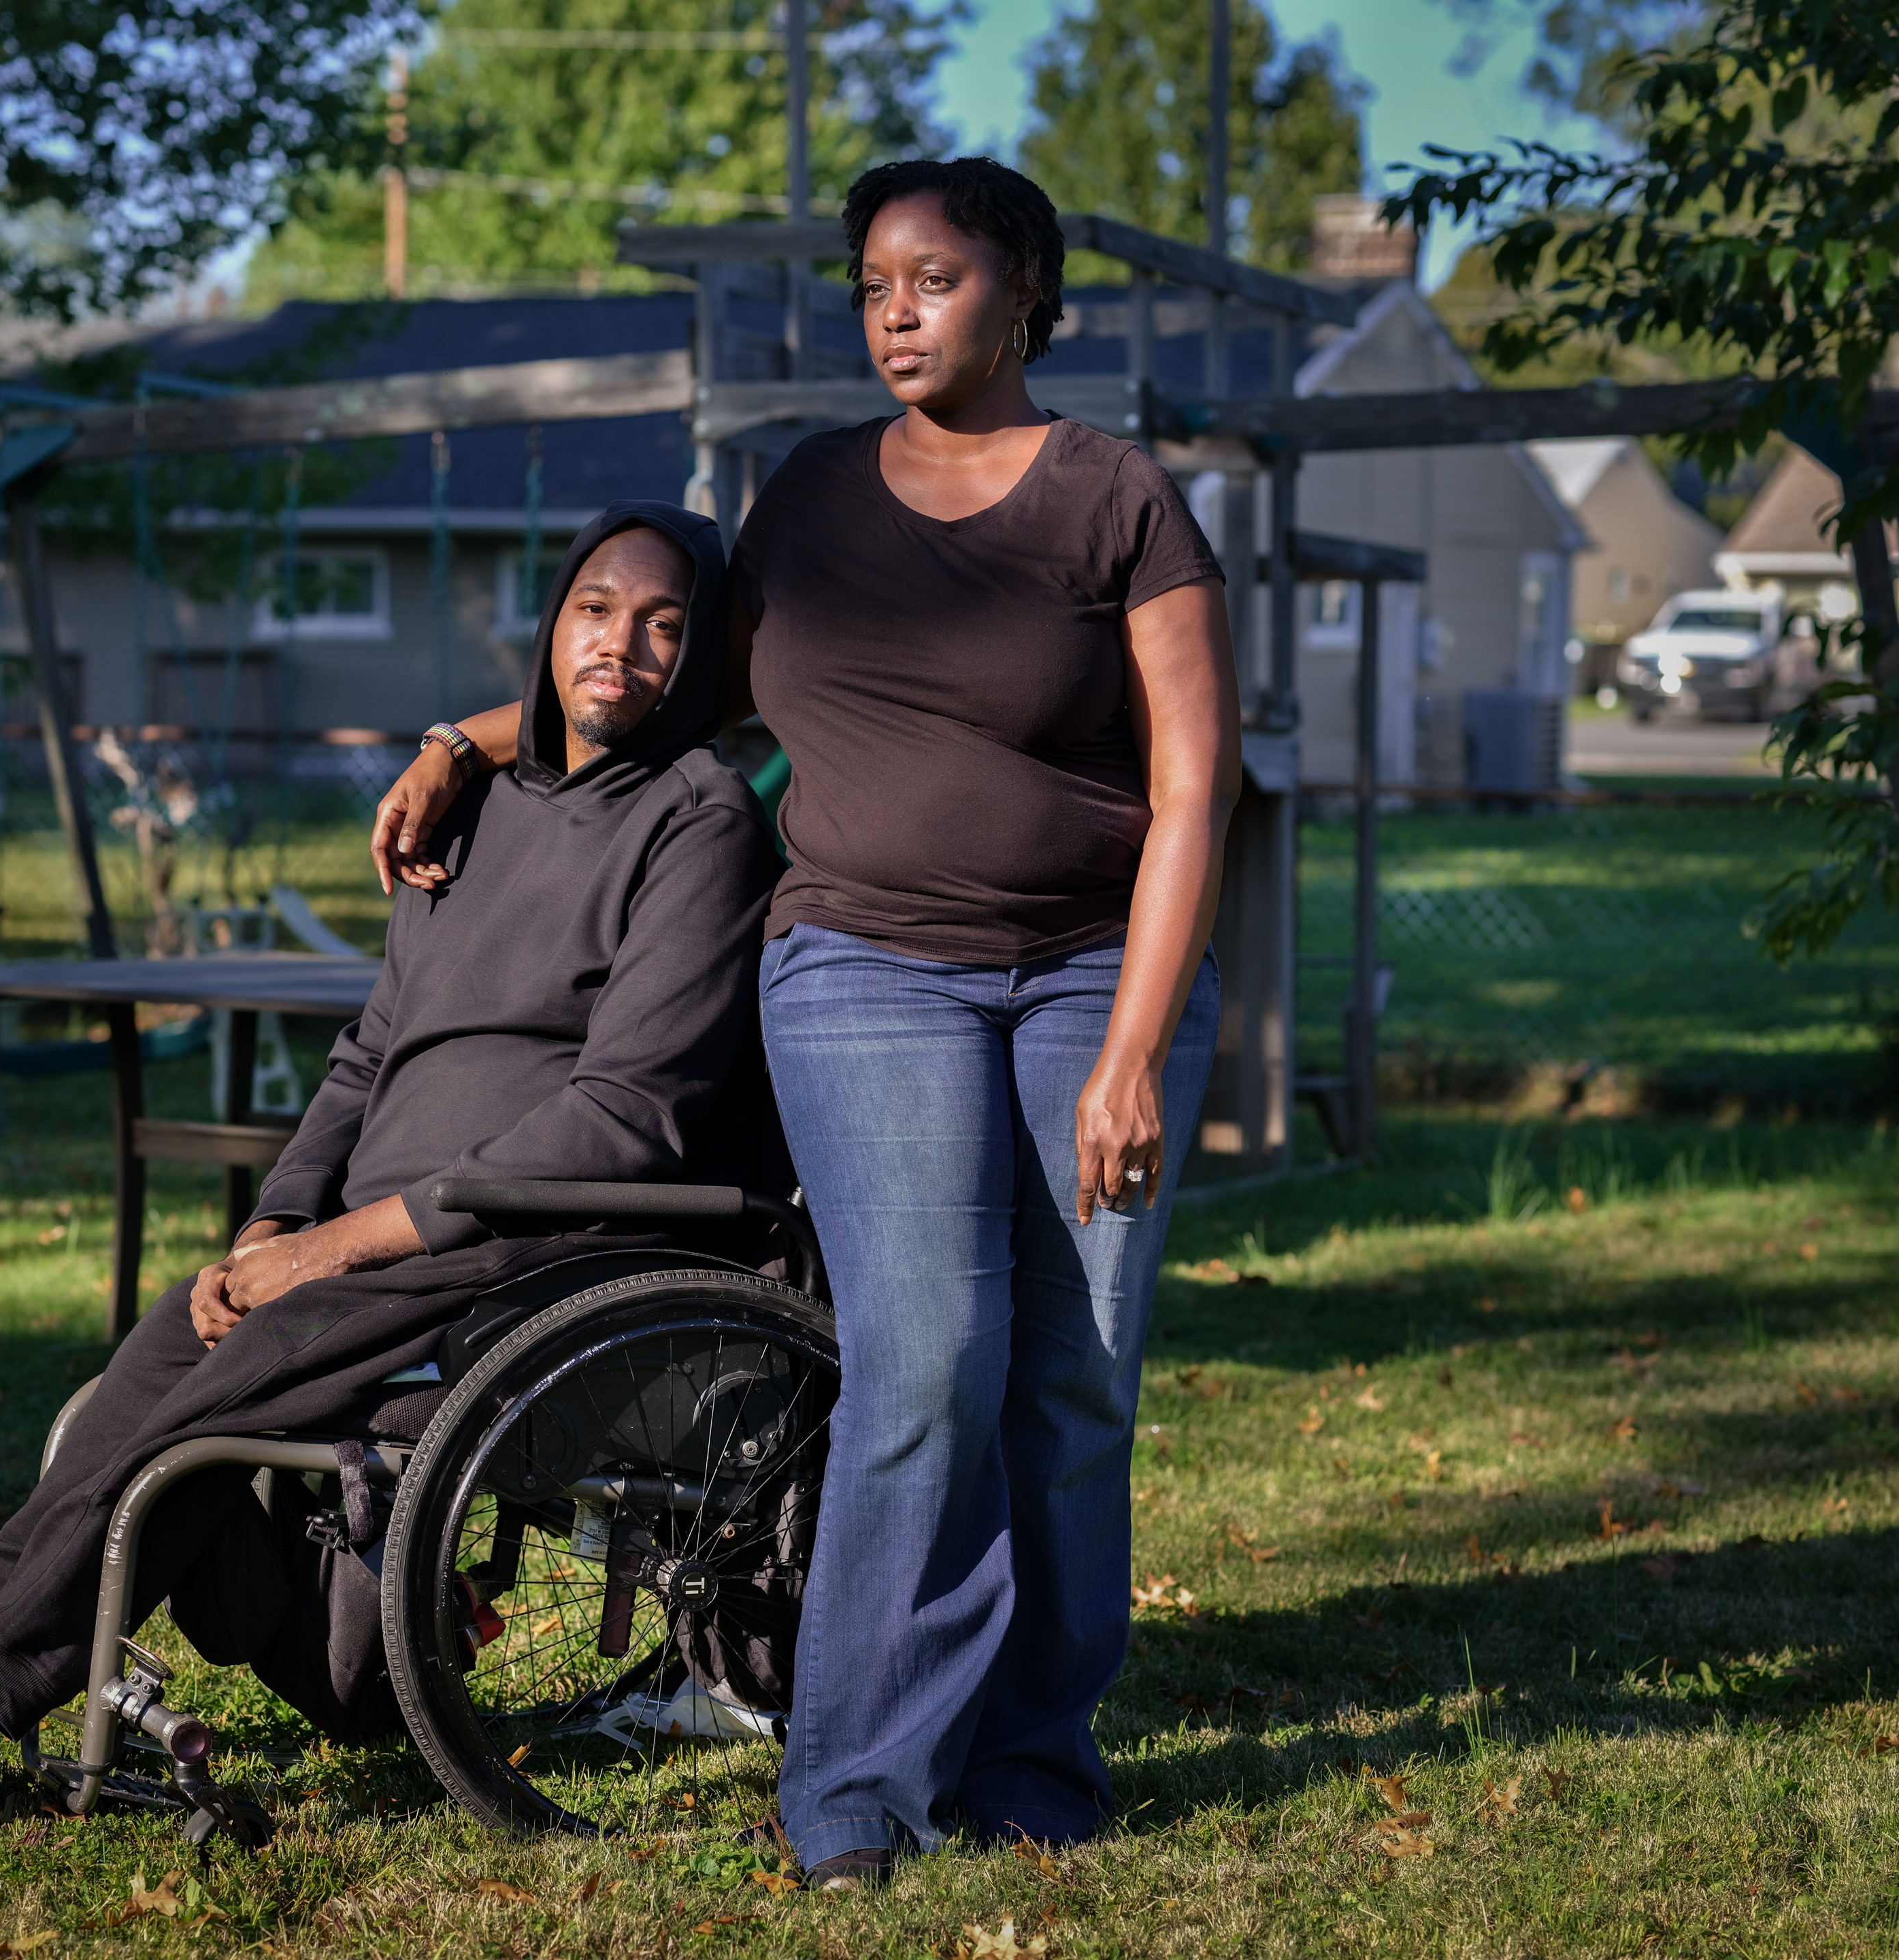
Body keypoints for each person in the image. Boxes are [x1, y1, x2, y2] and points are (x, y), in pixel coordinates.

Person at [366, 159, 1240, 1886]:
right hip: (864, 968)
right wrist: (466, 741)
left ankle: (1032, 1756)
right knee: (927, 1368)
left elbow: (1198, 781)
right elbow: (658, 688)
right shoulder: (814, 501)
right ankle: (853, 1788)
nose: (896, 311)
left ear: (1027, 293)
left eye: (933, 279)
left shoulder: (1118, 499)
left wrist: (1134, 1047)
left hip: (1092, 974)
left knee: (1074, 1391)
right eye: (872, 285)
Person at [0, 502, 782, 1814]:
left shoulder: (702, 821)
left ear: (701, 659)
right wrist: (273, 1226)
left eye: (667, 627)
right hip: (381, 1240)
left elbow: (625, 1117)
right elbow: (365, 1055)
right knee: (165, 1351)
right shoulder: (473, 812)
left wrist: (341, 1245)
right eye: (597, 610)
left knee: (229, 1382)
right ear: (552, 622)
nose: (622, 646)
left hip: (533, 1233)